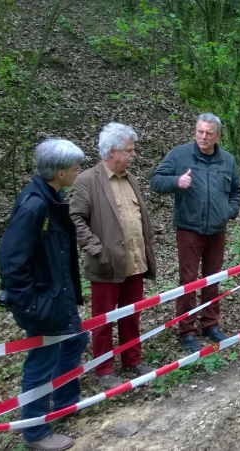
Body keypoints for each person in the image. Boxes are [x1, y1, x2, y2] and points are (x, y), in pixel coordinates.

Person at [0, 139, 87, 451]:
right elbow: (10, 260)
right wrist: (31, 305)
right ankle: (35, 431)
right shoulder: (35, 205)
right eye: (75, 167)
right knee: (41, 361)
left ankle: (64, 403)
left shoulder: (51, 197)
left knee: (76, 339)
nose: (79, 170)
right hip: (44, 301)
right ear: (60, 172)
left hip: (56, 293)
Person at [69, 123, 157, 389]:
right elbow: (74, 218)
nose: (134, 155)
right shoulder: (87, 181)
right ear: (111, 151)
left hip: (134, 263)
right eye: (129, 150)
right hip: (106, 266)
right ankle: (104, 368)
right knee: (103, 319)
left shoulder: (130, 179)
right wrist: (97, 249)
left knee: (132, 315)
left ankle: (132, 359)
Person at [150, 113, 240, 352]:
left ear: (217, 136)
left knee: (213, 277)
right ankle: (186, 330)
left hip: (217, 229)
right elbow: (155, 181)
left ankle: (210, 324)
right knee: (188, 281)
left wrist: (228, 211)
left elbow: (236, 191)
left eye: (208, 133)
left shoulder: (228, 161)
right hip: (189, 229)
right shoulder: (180, 155)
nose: (203, 137)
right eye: (200, 132)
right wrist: (176, 182)